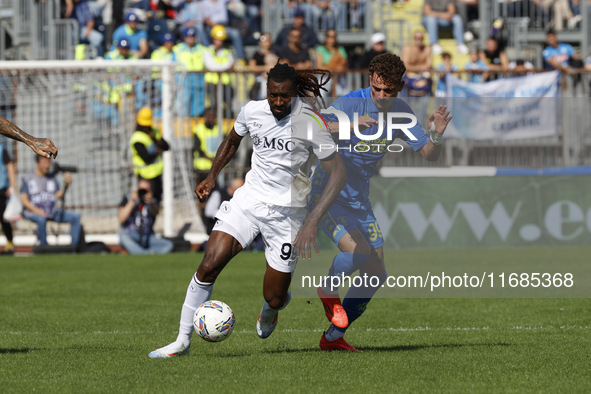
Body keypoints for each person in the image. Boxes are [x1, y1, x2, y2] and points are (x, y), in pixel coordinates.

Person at [148, 62, 347, 358]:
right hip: (249, 201)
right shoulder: (252, 111)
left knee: (275, 295)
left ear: (294, 93)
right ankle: (181, 341)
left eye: (285, 96)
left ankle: (272, 308)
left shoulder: (311, 123)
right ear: (267, 89)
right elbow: (231, 141)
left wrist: (312, 220)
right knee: (208, 264)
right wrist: (212, 176)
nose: (278, 102)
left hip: (289, 215)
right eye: (273, 95)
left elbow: (338, 172)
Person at [310, 53, 452, 351]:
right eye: (377, 89)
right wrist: (349, 124)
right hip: (328, 194)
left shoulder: (401, 112)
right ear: (370, 82)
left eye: (389, 90)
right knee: (359, 252)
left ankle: (333, 339)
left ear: (400, 86)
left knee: (376, 273)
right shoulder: (351, 103)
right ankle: (327, 288)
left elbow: (428, 154)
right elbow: (313, 128)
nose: (382, 96)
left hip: (359, 198)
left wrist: (436, 135)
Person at [20, 156, 82, 248]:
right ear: (38, 163)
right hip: (33, 212)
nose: (47, 165)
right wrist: (37, 211)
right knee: (41, 220)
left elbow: (59, 196)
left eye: (49, 162)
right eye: (44, 162)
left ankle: (74, 247)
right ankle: (44, 247)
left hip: (51, 211)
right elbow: (24, 200)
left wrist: (66, 184)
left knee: (75, 217)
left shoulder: (52, 178)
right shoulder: (28, 178)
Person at [118, 178, 173, 255]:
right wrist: (132, 201)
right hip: (130, 234)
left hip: (147, 236)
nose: (143, 193)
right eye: (141, 190)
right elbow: (121, 218)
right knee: (123, 237)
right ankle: (146, 253)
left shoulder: (152, 201)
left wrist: (151, 203)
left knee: (168, 245)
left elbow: (156, 213)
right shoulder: (128, 198)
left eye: (146, 190)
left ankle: (140, 252)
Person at [130, 107, 170, 202]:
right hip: (144, 177)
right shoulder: (137, 138)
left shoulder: (154, 133)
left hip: (157, 175)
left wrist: (155, 140)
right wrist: (157, 151)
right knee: (146, 202)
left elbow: (166, 146)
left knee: (156, 202)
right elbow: (146, 158)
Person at [173, 26, 206, 118]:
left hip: (198, 81)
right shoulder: (177, 49)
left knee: (198, 107)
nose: (191, 39)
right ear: (184, 38)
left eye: (193, 37)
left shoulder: (201, 49)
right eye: (188, 37)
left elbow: (206, 65)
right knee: (183, 106)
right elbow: (172, 66)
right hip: (183, 82)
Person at [203, 25, 235, 116]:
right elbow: (212, 66)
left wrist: (218, 67)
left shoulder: (227, 52)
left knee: (228, 104)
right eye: (217, 39)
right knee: (214, 105)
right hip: (213, 82)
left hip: (225, 82)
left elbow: (231, 64)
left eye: (221, 39)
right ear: (213, 39)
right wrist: (226, 66)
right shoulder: (207, 51)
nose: (219, 42)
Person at [315, 29, 348, 97]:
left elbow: (344, 65)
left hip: (338, 77)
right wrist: (333, 68)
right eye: (329, 36)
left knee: (342, 94)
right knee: (321, 95)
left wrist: (328, 66)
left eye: (333, 36)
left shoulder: (341, 49)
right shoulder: (320, 49)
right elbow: (319, 66)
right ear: (326, 38)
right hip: (325, 77)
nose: (331, 39)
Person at [401, 30, 433, 97]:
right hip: (410, 76)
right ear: (414, 38)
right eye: (417, 38)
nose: (419, 40)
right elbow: (405, 66)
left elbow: (429, 65)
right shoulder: (408, 49)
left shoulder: (427, 49)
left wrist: (413, 67)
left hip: (423, 76)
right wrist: (421, 67)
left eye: (421, 38)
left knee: (427, 83)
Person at [0, 141, 17, 253]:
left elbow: (10, 167)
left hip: (1, 188)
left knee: (3, 217)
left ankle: (10, 242)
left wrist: (12, 186)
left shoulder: (1, 149)